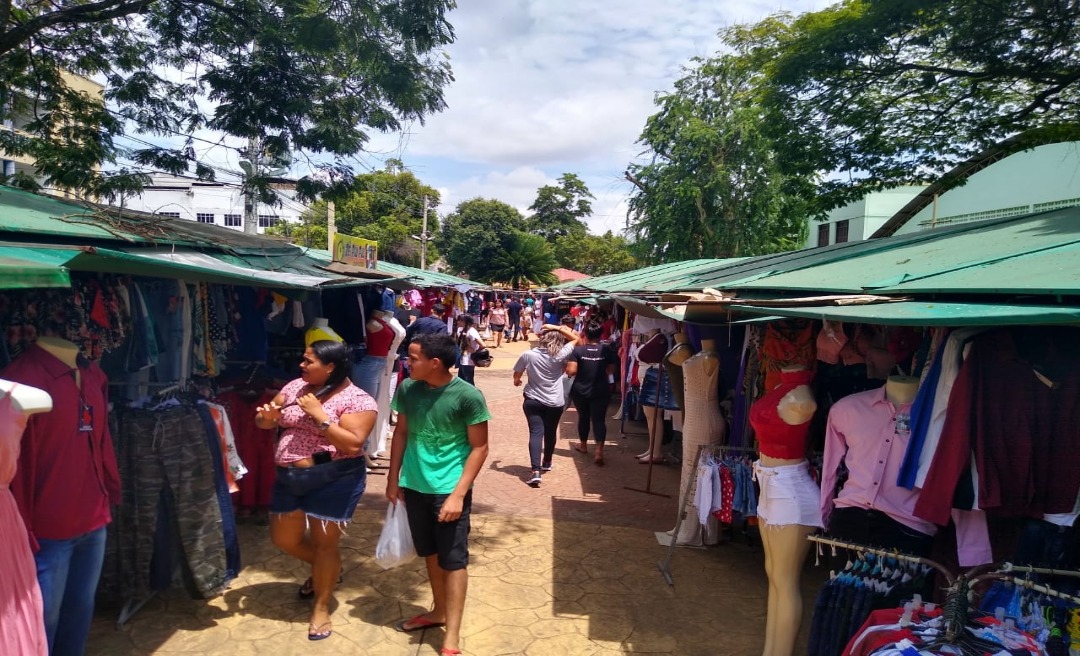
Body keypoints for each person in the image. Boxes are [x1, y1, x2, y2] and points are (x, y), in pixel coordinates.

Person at [255, 341, 378, 641]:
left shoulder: (358, 400)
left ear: (331, 367)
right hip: (289, 478)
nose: (302, 365)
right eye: (303, 359)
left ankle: (321, 607)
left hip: (334, 479)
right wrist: (266, 419)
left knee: (325, 545)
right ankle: (327, 570)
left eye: (309, 361)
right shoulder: (295, 386)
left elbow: (352, 444)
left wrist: (320, 415)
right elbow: (264, 420)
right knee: (284, 539)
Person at [387, 333, 491, 656]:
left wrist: (458, 495)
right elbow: (401, 433)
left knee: (454, 560)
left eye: (412, 357)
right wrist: (393, 478)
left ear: (434, 363)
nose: (406, 362)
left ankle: (452, 637)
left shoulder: (468, 396)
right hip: (414, 485)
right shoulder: (408, 389)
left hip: (449, 490)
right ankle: (438, 611)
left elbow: (480, 448)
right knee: (430, 553)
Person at [513, 325, 578, 487]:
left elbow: (517, 375)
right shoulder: (560, 354)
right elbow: (576, 338)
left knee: (536, 433)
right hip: (555, 401)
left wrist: (517, 381)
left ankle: (535, 471)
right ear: (559, 342)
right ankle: (547, 462)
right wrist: (557, 327)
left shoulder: (528, 354)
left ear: (542, 339)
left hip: (533, 399)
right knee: (550, 432)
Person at [565, 322, 618, 466]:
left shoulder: (578, 351)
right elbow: (611, 371)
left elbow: (571, 371)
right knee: (599, 420)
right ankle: (599, 451)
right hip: (601, 390)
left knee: (583, 418)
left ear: (585, 335)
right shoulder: (606, 350)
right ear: (600, 335)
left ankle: (583, 445)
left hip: (580, 390)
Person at [453, 315, 484, 386]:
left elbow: (483, 345)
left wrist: (475, 351)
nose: (458, 322)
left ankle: (473, 392)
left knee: (468, 381)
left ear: (467, 322)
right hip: (462, 359)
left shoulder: (472, 332)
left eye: (461, 320)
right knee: (461, 380)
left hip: (468, 360)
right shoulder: (461, 330)